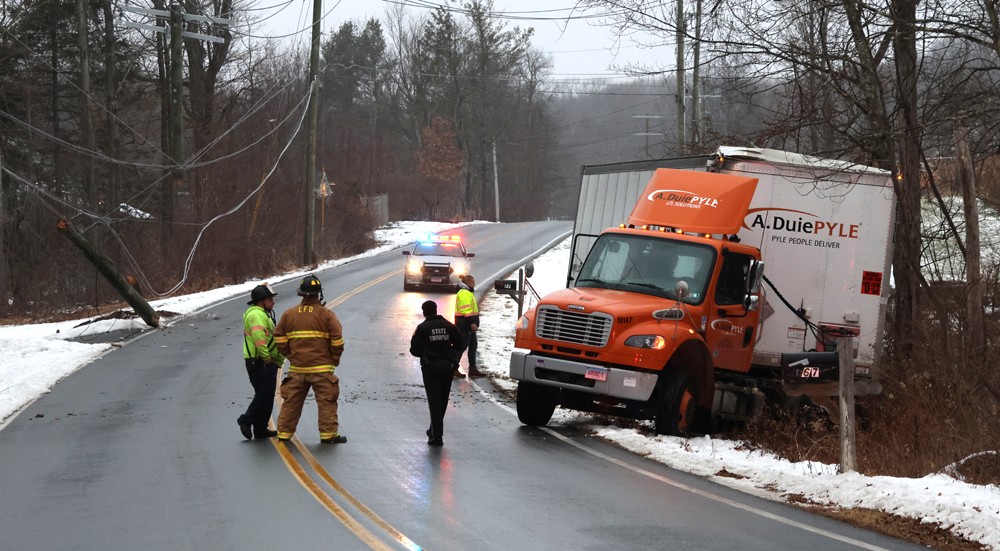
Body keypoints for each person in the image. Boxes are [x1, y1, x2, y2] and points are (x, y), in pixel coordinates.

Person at [273, 275, 347, 444]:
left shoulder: (289, 314)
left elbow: (279, 338)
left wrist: (291, 356)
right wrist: (334, 360)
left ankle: (284, 433)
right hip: (322, 370)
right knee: (327, 402)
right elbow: (337, 341)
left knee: (291, 402)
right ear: (318, 295)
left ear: (302, 294)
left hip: (297, 369)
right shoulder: (327, 315)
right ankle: (328, 435)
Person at [409, 300, 465, 446]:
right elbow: (460, 345)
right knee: (443, 399)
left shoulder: (422, 328)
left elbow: (414, 350)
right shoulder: (449, 325)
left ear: (424, 312)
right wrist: (448, 350)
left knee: (434, 400)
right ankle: (434, 429)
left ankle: (437, 436)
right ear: (436, 310)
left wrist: (426, 350)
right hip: (448, 366)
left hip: (431, 367)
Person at [239, 283, 284, 440]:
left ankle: (260, 428)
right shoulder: (256, 315)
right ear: (261, 301)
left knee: (267, 394)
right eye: (270, 299)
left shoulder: (263, 314)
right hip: (259, 361)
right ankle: (245, 420)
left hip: (265, 361)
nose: (273, 302)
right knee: (264, 393)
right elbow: (259, 340)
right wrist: (267, 358)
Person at [454, 274, 482, 377]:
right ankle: (454, 368)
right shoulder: (465, 293)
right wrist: (472, 323)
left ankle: (473, 368)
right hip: (465, 325)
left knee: (473, 346)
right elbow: (466, 310)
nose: (474, 284)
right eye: (473, 282)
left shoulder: (467, 292)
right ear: (468, 283)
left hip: (468, 325)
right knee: (462, 347)